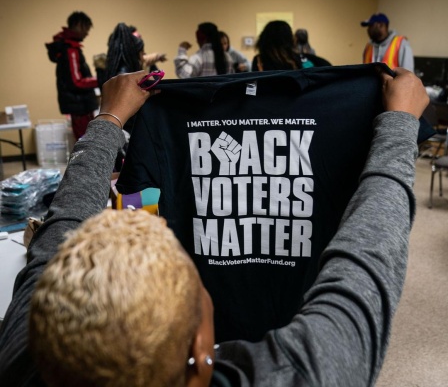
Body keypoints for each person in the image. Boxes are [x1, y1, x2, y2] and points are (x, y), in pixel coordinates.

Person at [0, 67, 429, 386]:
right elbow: (372, 244)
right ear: (202, 351)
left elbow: (62, 229)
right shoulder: (299, 373)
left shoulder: (22, 356)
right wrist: (400, 124)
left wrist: (109, 118)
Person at [45, 11, 99, 140]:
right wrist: (101, 79)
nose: (87, 32)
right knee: (86, 143)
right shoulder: (71, 50)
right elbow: (77, 82)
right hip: (80, 106)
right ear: (77, 25)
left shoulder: (66, 47)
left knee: (85, 142)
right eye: (86, 28)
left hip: (78, 105)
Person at [252, 20, 331, 71]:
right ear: (289, 39)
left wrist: (250, 96)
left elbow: (252, 86)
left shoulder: (259, 60)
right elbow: (327, 68)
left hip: (269, 97)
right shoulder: (302, 59)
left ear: (264, 39)